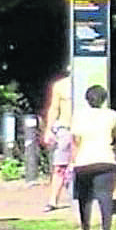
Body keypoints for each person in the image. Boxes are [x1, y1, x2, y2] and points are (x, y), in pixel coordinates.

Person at [70, 84, 116, 230]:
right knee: (105, 196)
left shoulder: (78, 116)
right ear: (104, 99)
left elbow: (76, 141)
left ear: (87, 99)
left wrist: (72, 161)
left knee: (84, 198)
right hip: (106, 159)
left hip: (84, 161)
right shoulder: (112, 115)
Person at [42, 67, 73, 212]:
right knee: (60, 165)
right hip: (65, 129)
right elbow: (54, 108)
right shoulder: (61, 86)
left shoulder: (89, 84)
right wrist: (48, 130)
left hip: (84, 129)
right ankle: (53, 200)